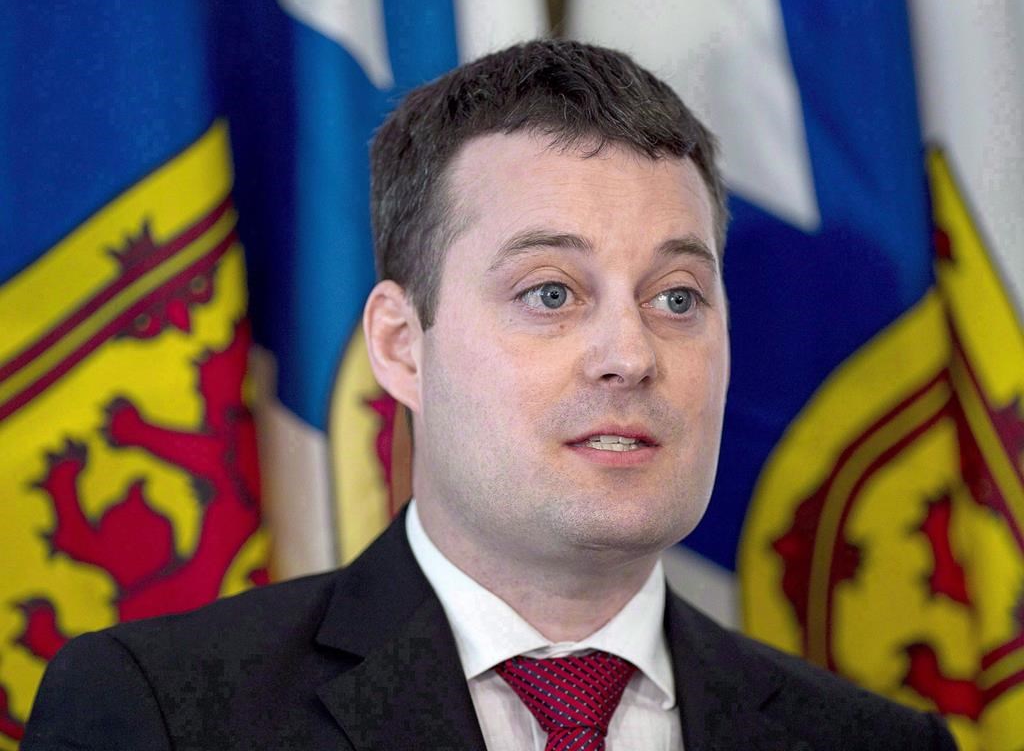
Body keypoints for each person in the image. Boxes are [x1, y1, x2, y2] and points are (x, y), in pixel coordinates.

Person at [24, 39, 955, 750]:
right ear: (400, 346)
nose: (629, 355)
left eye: (677, 298)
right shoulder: (160, 714)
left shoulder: (872, 742)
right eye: (551, 292)